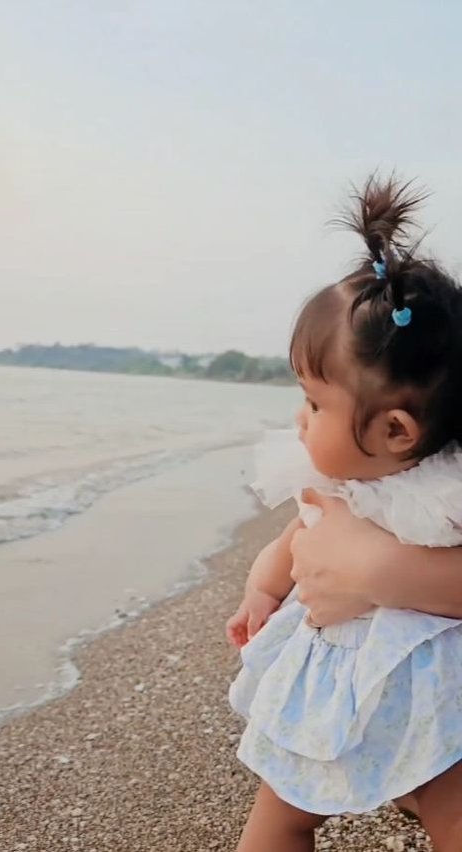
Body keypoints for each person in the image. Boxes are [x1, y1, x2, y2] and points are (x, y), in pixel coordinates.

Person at [226, 175, 462, 852]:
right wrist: (262, 589)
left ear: (396, 431)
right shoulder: (329, 486)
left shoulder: (442, 497)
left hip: (433, 700)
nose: (300, 419)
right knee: (283, 810)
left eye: (317, 402)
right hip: (332, 686)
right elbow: (295, 536)